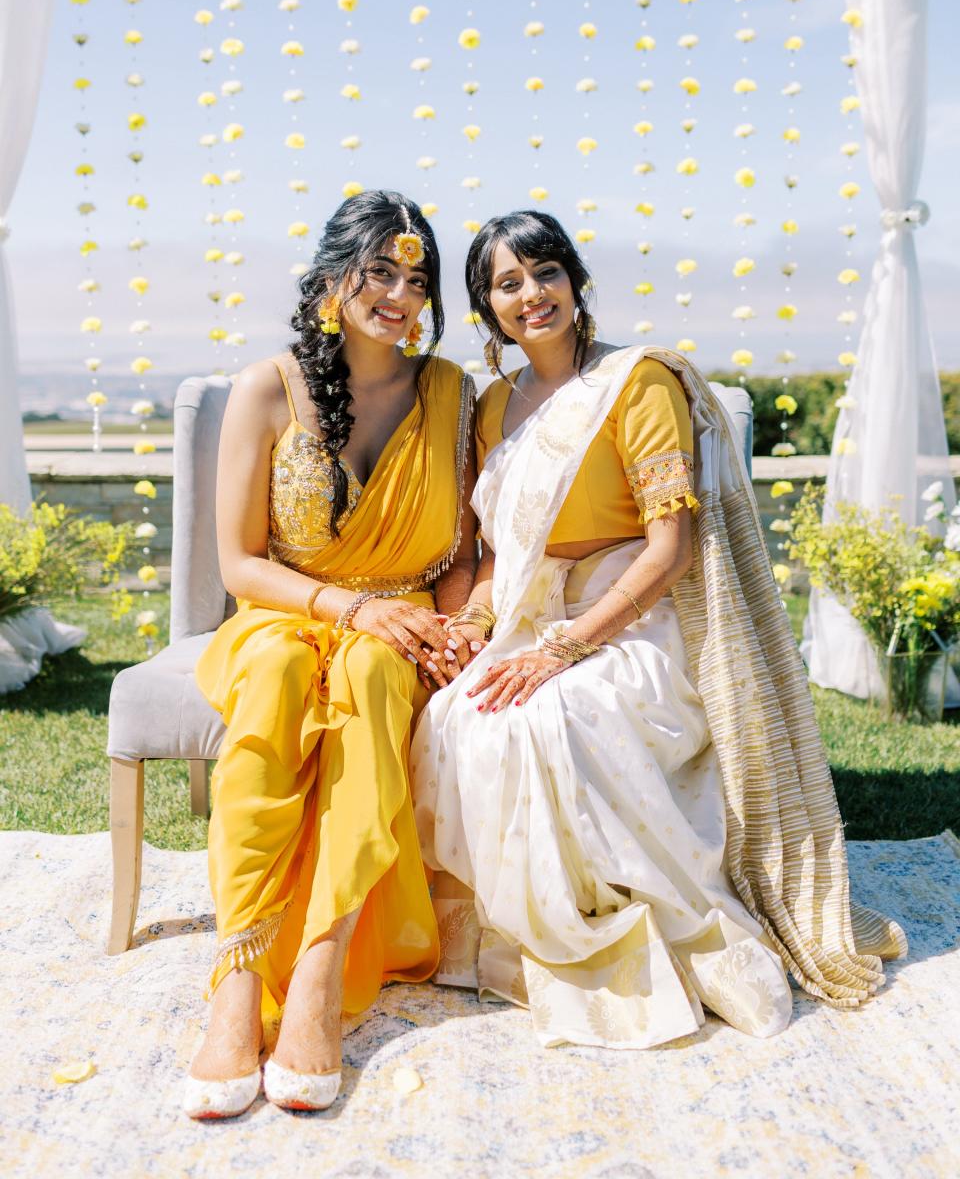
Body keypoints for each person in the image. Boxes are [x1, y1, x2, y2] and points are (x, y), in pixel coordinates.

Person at [413, 209, 906, 1051]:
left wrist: (566, 648)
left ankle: (618, 942)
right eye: (507, 283)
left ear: (575, 280)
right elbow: (501, 550)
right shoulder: (494, 402)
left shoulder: (637, 382)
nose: (531, 294)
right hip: (534, 611)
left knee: (552, 718)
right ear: (486, 308)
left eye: (545, 272)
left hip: (634, 621)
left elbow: (670, 551)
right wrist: (473, 626)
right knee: (457, 711)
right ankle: (512, 940)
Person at [183, 191, 477, 1118]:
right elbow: (239, 564)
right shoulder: (266, 388)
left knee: (373, 677)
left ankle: (316, 974)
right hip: (286, 612)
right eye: (380, 272)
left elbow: (462, 551)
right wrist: (345, 605)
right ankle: (238, 983)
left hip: (400, 620)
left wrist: (458, 629)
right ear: (329, 281)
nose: (400, 293)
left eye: (417, 277)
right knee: (272, 675)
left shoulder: (448, 391)